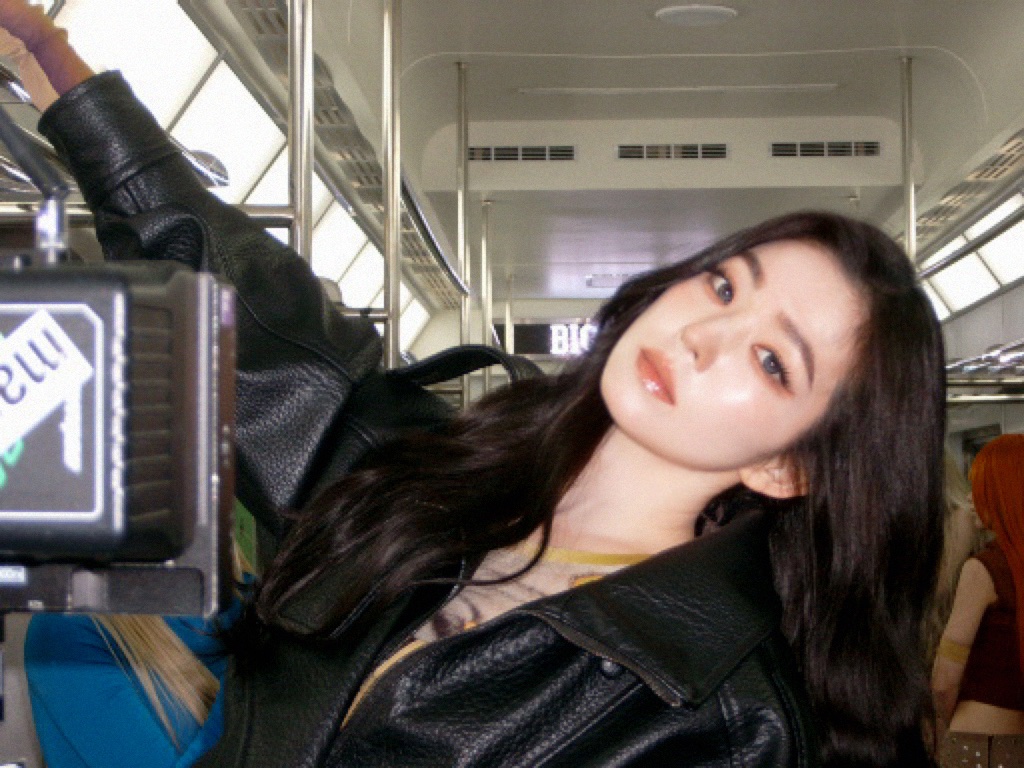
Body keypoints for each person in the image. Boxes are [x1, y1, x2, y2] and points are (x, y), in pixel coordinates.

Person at [0, 3, 947, 766]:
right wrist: (60, 75)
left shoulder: (721, 721)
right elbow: (259, 317)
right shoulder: (431, 483)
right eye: (725, 285)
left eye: (774, 361)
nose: (704, 336)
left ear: (789, 466)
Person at [932, 435, 1024, 767]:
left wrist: (941, 729)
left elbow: (944, 681)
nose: (971, 498)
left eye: (980, 487)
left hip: (977, 744)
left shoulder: (984, 569)